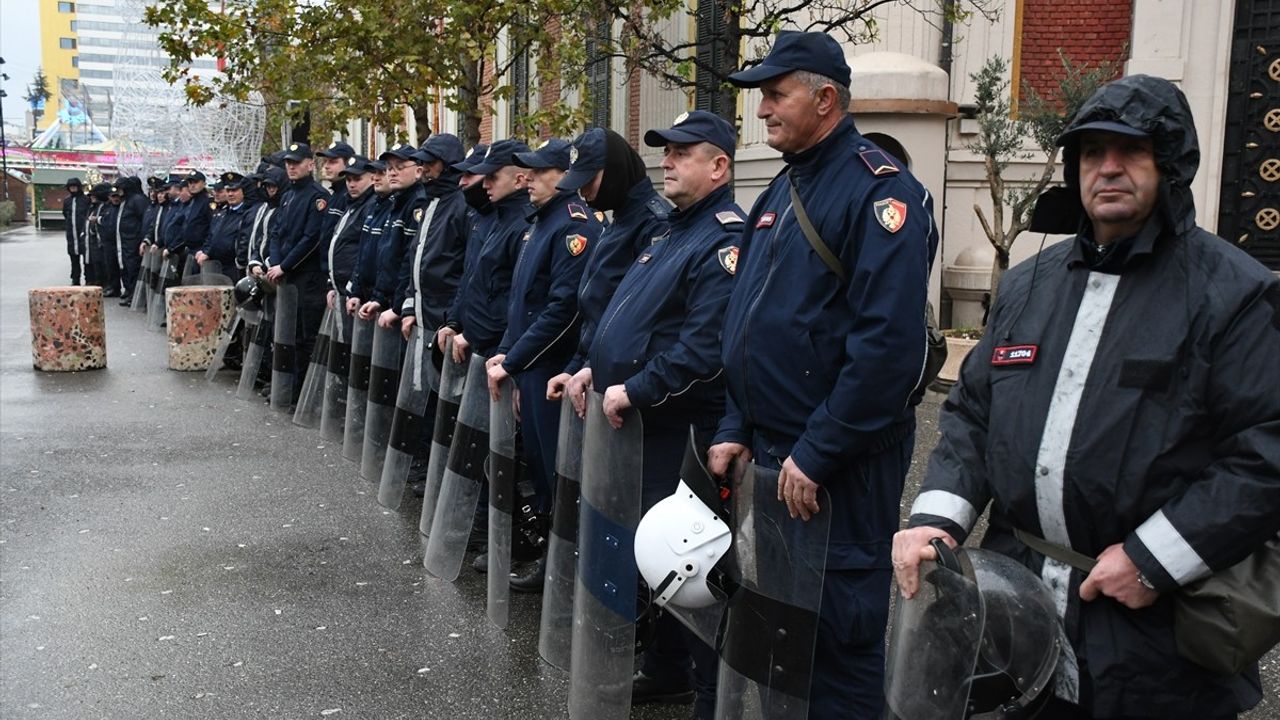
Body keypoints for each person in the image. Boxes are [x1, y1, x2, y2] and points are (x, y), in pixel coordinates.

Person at [893, 74, 1280, 720]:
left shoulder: (1232, 294)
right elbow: (971, 414)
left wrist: (1151, 560)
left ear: (1169, 163)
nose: (1108, 169)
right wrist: (936, 519)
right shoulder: (1028, 286)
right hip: (1016, 605)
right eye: (1092, 153)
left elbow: (1263, 456)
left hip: (1146, 628)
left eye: (1130, 152)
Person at [707, 31, 939, 718]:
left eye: (776, 95)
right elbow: (745, 323)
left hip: (837, 469)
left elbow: (887, 350)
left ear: (826, 98)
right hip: (779, 460)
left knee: (838, 644)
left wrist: (820, 449)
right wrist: (734, 424)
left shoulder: (882, 193)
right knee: (782, 632)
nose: (763, 111)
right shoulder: (782, 186)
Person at [592, 110, 744, 717]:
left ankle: (710, 695)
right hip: (647, 426)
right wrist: (592, 368)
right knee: (657, 562)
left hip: (683, 430)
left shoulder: (722, 237)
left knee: (691, 566)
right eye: (666, 151)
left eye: (683, 152)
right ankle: (667, 667)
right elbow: (632, 320)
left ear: (719, 166)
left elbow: (705, 350)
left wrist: (635, 388)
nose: (668, 160)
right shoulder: (672, 231)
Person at [486, 138, 603, 590]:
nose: (528, 180)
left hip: (552, 369)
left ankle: (567, 567)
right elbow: (523, 303)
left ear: (564, 175)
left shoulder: (573, 228)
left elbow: (562, 310)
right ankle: (556, 560)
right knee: (540, 466)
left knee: (560, 473)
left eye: (538, 172)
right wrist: (508, 352)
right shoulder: (541, 224)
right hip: (531, 368)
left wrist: (515, 360)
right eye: (526, 172)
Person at [549, 127, 671, 404]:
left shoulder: (653, 224)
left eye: (589, 182)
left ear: (614, 171)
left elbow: (641, 318)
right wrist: (577, 366)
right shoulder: (619, 220)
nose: (584, 193)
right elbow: (595, 312)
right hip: (597, 374)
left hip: (624, 386)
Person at [268, 142, 332, 401]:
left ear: (310, 164)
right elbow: (276, 232)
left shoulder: (317, 197)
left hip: (307, 278)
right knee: (289, 335)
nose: (291, 167)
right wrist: (276, 263)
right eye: (288, 163)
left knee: (307, 337)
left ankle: (306, 395)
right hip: (287, 275)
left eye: (296, 163)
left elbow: (311, 238)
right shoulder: (287, 196)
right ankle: (289, 388)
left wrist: (284, 265)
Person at [61, 178, 89, 286]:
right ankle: (75, 279)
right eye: (71, 187)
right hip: (71, 234)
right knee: (73, 258)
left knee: (86, 258)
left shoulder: (85, 200)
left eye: (75, 186)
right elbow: (65, 214)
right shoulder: (67, 201)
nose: (73, 189)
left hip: (83, 233)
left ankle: (88, 279)